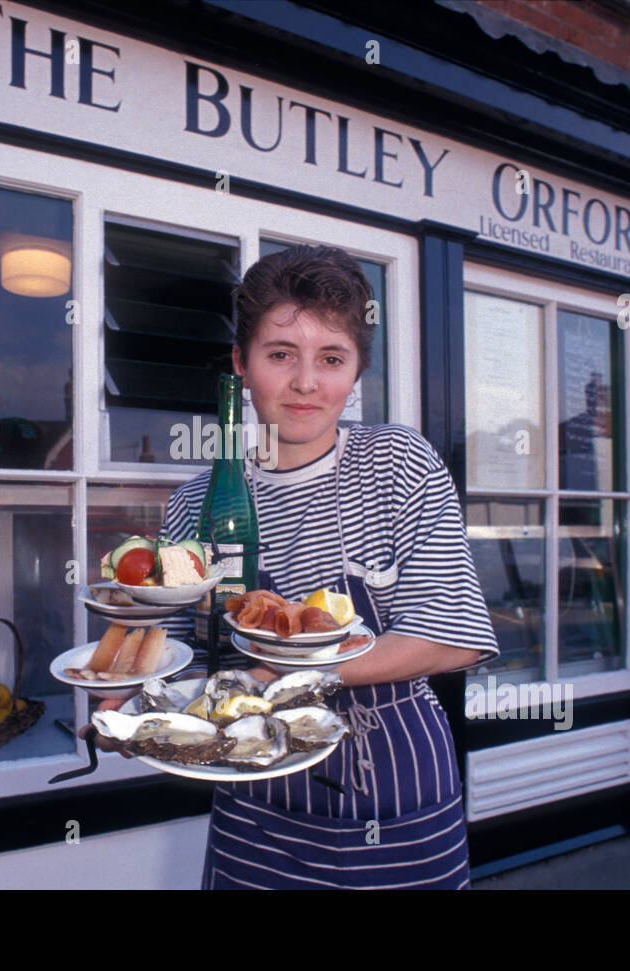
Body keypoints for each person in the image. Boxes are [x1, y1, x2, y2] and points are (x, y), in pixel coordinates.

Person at [103, 244, 499, 889]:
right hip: (253, 804)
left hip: (394, 798)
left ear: (356, 372)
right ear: (242, 364)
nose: (306, 383)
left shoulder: (398, 463)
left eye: (332, 359)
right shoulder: (197, 500)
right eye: (281, 354)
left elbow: (450, 636)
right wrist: (133, 695)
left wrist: (268, 675)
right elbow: (180, 646)